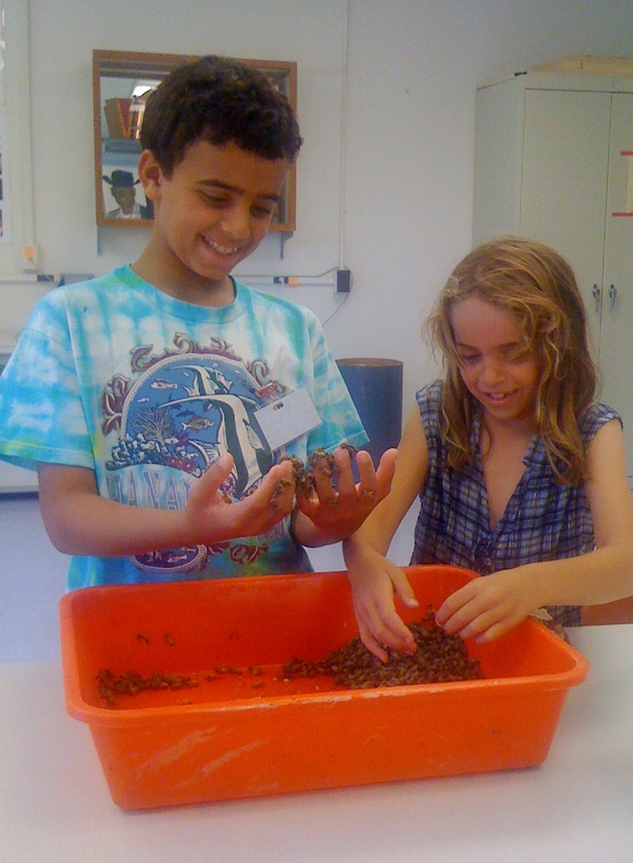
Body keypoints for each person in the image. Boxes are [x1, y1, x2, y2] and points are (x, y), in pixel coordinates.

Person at [0, 56, 396, 589]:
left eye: (261, 207)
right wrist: (184, 526)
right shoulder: (71, 323)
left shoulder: (295, 331)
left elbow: (302, 516)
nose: (237, 227)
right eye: (215, 197)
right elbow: (67, 518)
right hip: (130, 634)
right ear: (152, 176)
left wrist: (333, 522)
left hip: (271, 627)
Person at [343, 236, 633, 660]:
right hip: (436, 647)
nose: (490, 377)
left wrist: (529, 585)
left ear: (559, 347)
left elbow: (625, 567)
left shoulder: (593, 431)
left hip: (535, 652)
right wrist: (362, 557)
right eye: (469, 356)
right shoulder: (435, 412)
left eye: (514, 353)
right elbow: (369, 531)